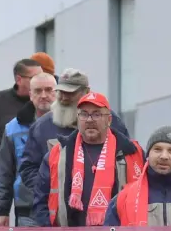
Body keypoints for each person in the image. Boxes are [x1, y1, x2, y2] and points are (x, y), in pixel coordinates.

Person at [33, 92, 144, 228]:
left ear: (109, 120)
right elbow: (40, 200)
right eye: (84, 114)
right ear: (78, 119)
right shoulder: (58, 153)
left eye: (97, 114)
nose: (90, 120)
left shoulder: (130, 152)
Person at [18, 68, 130, 198]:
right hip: (59, 209)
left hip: (106, 202)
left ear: (86, 92)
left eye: (70, 93)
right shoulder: (42, 127)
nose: (64, 97)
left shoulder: (110, 120)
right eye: (61, 92)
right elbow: (28, 168)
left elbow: (129, 158)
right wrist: (48, 190)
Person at [0, 73, 57, 227]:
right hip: (27, 209)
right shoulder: (12, 128)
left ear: (57, 93)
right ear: (30, 95)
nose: (44, 95)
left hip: (62, 207)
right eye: (38, 91)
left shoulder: (69, 124)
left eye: (49, 90)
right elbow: (5, 172)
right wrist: (2, 211)